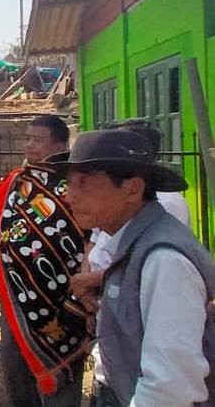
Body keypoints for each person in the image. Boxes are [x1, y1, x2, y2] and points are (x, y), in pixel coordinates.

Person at [55, 130, 214, 406]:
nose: (70, 197)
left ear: (132, 189)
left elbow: (169, 387)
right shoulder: (133, 240)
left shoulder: (164, 259)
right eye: (69, 184)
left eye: (84, 183)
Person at [0, 115, 90, 406]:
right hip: (18, 296)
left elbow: (90, 233)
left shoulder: (77, 181)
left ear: (60, 142)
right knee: (14, 363)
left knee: (63, 372)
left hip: (66, 298)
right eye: (27, 138)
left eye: (37, 139)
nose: (29, 145)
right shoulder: (16, 182)